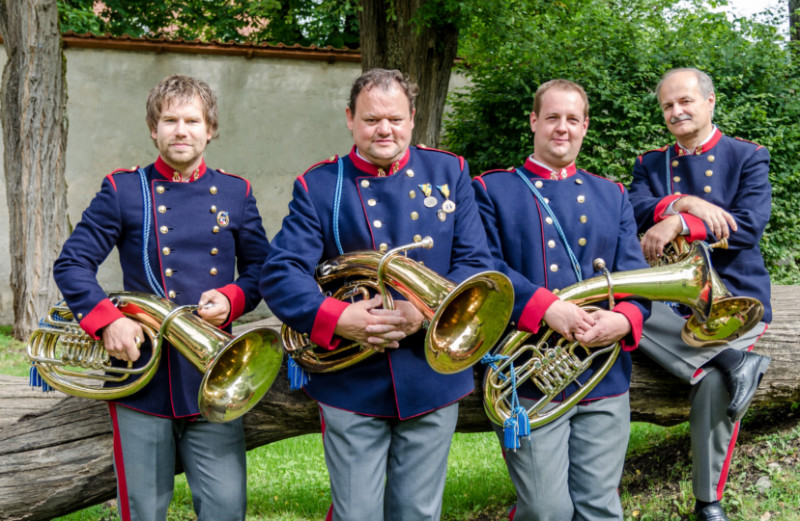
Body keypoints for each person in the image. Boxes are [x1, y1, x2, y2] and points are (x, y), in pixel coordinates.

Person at [260, 68, 495, 521]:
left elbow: (474, 262)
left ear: (412, 119)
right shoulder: (320, 185)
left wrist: (422, 309)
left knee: (419, 513)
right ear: (350, 119)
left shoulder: (450, 170)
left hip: (431, 371)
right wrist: (337, 317)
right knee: (357, 514)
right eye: (371, 120)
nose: (384, 130)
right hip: (352, 380)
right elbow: (281, 271)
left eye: (394, 118)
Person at [52, 74, 270, 521]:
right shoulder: (123, 190)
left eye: (192, 120)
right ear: (154, 128)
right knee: (144, 510)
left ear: (210, 129)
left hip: (214, 375)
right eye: (169, 120)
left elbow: (264, 270)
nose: (181, 130)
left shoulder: (236, 192)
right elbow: (72, 264)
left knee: (227, 509)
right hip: (142, 375)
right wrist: (107, 320)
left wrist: (233, 298)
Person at [472, 79, 651, 521]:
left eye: (573, 119)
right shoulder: (492, 189)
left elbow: (634, 278)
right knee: (545, 509)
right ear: (534, 121)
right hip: (530, 379)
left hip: (601, 372)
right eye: (552, 117)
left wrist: (625, 321)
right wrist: (546, 307)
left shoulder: (611, 193)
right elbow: (485, 270)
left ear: (585, 126)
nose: (562, 128)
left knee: (600, 507)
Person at [628, 67, 772, 521]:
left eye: (686, 101)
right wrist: (685, 203)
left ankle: (708, 501)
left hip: (733, 294)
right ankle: (736, 361)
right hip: (670, 299)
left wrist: (677, 223)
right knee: (621, 305)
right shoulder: (650, 162)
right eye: (668, 105)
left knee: (711, 382)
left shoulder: (747, 155)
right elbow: (632, 209)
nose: (677, 111)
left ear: (710, 102)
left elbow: (746, 226)